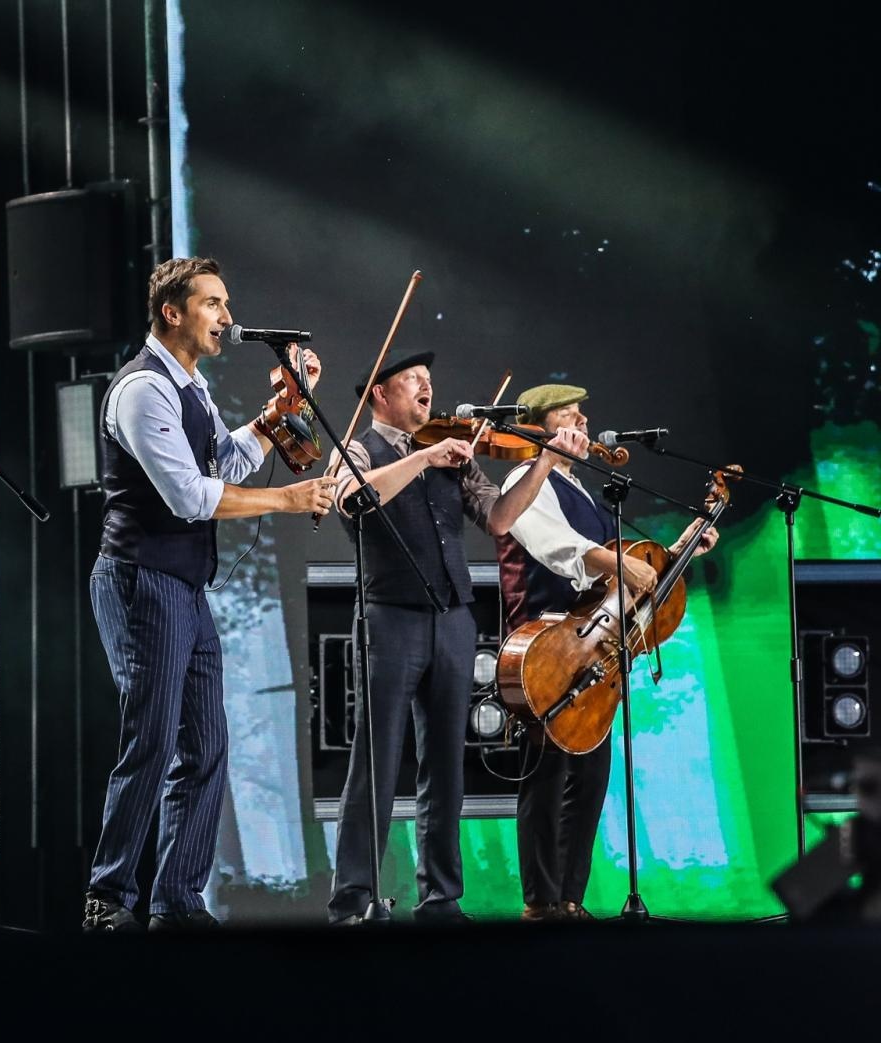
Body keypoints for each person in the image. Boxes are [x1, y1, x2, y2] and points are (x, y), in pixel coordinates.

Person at [81, 256, 339, 933]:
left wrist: (275, 416)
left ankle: (178, 901)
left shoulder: (188, 386)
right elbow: (188, 496)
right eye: (215, 304)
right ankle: (108, 898)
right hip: (140, 579)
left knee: (206, 745)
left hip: (182, 587)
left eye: (226, 305)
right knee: (154, 739)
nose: (228, 318)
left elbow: (223, 462)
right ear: (173, 311)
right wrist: (286, 498)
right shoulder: (143, 390)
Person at [324, 353, 585, 924]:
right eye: (413, 381)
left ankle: (441, 898)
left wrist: (542, 462)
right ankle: (353, 901)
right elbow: (354, 498)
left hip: (453, 618)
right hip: (389, 617)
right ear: (379, 395)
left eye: (428, 381)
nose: (427, 387)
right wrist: (423, 457)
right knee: (377, 763)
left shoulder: (452, 453)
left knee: (444, 766)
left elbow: (498, 518)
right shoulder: (361, 449)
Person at [496, 384, 717, 921]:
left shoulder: (588, 494)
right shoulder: (526, 480)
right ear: (542, 430)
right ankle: (541, 903)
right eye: (569, 417)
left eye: (581, 415)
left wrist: (680, 548)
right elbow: (549, 542)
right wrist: (613, 560)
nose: (584, 423)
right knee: (547, 777)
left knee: (589, 779)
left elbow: (624, 590)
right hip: (547, 645)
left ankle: (571, 898)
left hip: (594, 651)